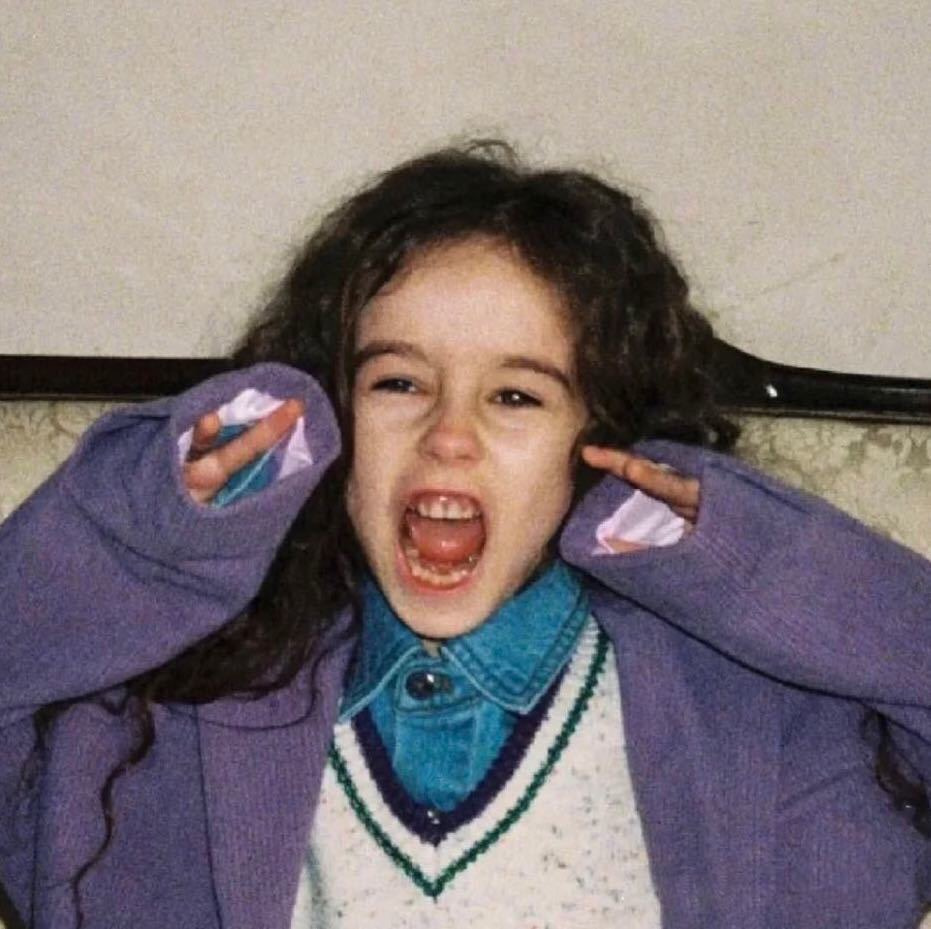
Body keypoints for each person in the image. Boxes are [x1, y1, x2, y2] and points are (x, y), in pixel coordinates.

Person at [1, 141, 929, 929]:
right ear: (328, 416)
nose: (449, 435)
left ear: (600, 440)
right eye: (398, 383)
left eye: (516, 395)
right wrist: (153, 536)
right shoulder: (165, 718)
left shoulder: (761, 714)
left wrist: (744, 554)